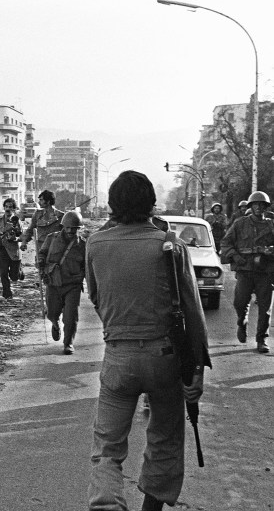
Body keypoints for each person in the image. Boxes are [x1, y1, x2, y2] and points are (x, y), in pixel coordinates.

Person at [86, 171, 210, 511]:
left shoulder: (95, 244)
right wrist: (196, 369)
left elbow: (96, 297)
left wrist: (120, 326)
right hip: (165, 357)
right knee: (165, 439)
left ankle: (107, 504)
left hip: (118, 357)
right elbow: (193, 313)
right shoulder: (171, 245)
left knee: (107, 448)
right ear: (150, 205)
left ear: (112, 206)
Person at [220, 191, 274, 354]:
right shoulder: (239, 224)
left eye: (262, 205)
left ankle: (261, 339)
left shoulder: (272, 225)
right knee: (240, 302)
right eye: (255, 204)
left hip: (265, 271)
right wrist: (236, 256)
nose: (258, 207)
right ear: (250, 206)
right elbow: (225, 243)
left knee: (265, 308)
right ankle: (241, 321)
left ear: (266, 207)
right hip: (245, 270)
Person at [37, 210, 86, 354]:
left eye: (74, 228)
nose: (71, 231)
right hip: (53, 283)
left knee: (71, 316)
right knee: (52, 312)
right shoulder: (51, 239)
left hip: (73, 285)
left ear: (78, 229)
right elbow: (42, 253)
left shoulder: (83, 245)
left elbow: (87, 267)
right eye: (68, 227)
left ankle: (68, 343)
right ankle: (54, 322)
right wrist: (40, 262)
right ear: (63, 226)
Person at [0, 198, 23, 299]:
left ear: (14, 209)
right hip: (3, 248)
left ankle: (20, 271)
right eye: (6, 207)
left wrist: (15, 238)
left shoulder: (17, 221)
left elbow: (22, 237)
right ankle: (7, 293)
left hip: (14, 250)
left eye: (10, 207)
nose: (8, 209)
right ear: (4, 208)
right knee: (3, 272)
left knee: (14, 277)